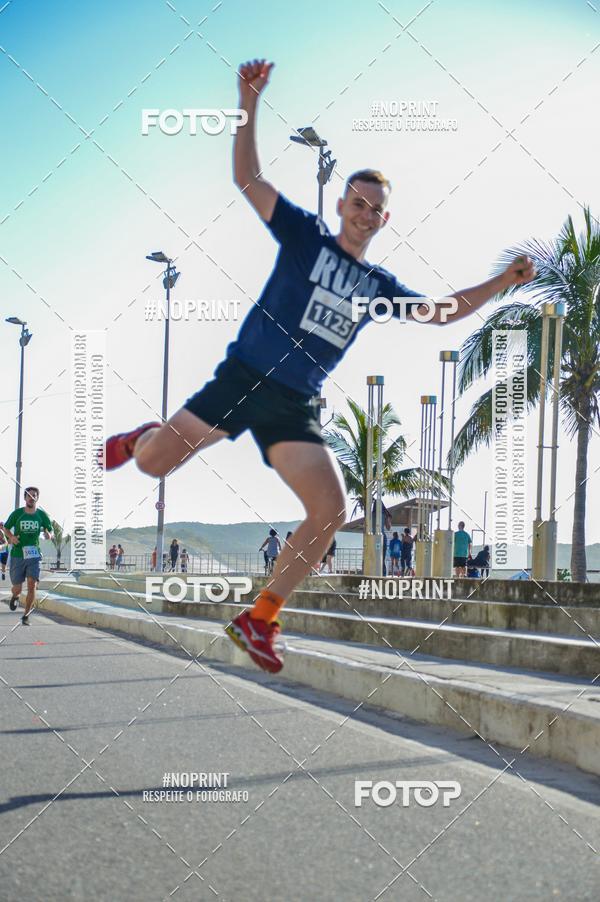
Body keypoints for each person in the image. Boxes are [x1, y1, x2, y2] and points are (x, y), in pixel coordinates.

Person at [102, 58, 535, 674]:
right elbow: (247, 177)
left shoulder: (377, 285)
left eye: (375, 209)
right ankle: (139, 438)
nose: (365, 213)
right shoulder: (305, 236)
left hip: (292, 403)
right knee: (152, 464)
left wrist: (502, 282)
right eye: (358, 202)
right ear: (342, 204)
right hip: (243, 378)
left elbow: (442, 312)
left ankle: (259, 618)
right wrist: (249, 101)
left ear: (384, 220)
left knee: (329, 510)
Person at [3, 487, 53, 625]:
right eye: (29, 496)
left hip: (33, 555)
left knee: (32, 585)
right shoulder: (17, 514)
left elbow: (49, 530)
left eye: (34, 495)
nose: (32, 498)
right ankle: (15, 596)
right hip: (18, 554)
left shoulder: (41, 515)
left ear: (37, 498)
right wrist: (12, 537)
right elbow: (6, 528)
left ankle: (26, 615)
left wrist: (49, 534)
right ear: (25, 498)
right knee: (17, 588)